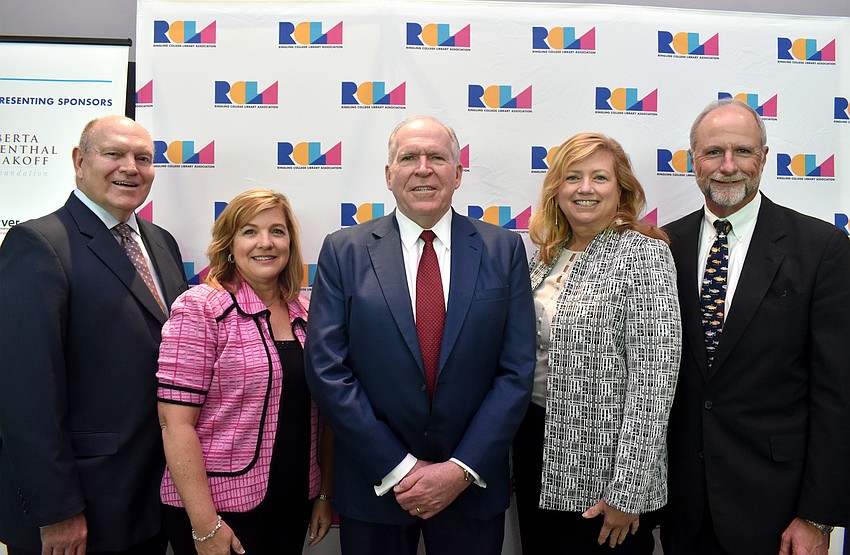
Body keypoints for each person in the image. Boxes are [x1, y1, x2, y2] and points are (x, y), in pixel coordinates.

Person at [304, 115, 535, 555]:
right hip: (376, 483)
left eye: (437, 157)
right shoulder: (344, 250)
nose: (423, 168)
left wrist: (460, 469)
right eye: (409, 157)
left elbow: (516, 369)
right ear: (389, 174)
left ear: (458, 173)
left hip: (469, 485)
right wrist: (400, 468)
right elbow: (327, 369)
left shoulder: (502, 249)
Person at [662, 98, 850, 555]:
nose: (728, 167)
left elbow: (837, 392)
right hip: (681, 505)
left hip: (776, 508)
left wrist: (817, 516)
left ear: (764, 159)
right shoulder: (665, 244)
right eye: (713, 152)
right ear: (693, 161)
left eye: (743, 152)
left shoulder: (821, 247)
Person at [0, 116, 188, 554]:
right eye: (114, 154)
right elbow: (25, 394)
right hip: (80, 507)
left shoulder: (162, 243)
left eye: (143, 158)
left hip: (152, 497)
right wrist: (57, 510)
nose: (131, 168)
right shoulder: (38, 244)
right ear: (79, 161)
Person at [513, 132, 682, 554]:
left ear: (621, 189)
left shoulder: (644, 254)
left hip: (603, 469)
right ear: (557, 189)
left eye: (599, 177)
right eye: (573, 177)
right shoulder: (547, 255)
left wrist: (628, 491)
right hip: (536, 445)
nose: (585, 189)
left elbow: (654, 382)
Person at [156, 189, 334, 555]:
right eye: (250, 231)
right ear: (229, 244)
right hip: (219, 511)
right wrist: (206, 526)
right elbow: (175, 424)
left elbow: (327, 414)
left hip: (293, 499)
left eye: (277, 231)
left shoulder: (309, 312)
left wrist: (324, 493)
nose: (265, 243)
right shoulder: (200, 308)